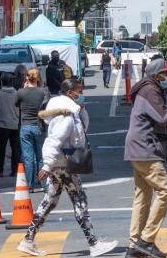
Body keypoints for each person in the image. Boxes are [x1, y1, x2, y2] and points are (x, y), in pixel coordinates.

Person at [17, 79, 118, 257]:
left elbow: (81, 129)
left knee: (50, 201)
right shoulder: (65, 115)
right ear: (70, 92)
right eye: (80, 90)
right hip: (63, 164)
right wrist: (47, 163)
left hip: (59, 163)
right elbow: (54, 140)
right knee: (79, 200)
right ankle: (94, 243)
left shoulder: (71, 112)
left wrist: (82, 111)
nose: (82, 94)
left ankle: (28, 240)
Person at [124, 58, 167, 258]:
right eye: (166, 74)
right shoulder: (150, 90)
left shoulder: (147, 89)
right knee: (166, 192)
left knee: (143, 196)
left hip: (138, 149)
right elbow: (163, 116)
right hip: (145, 149)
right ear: (157, 76)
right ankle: (146, 240)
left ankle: (134, 246)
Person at [17, 69, 52, 191]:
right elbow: (48, 103)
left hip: (25, 126)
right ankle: (43, 184)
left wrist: (24, 87)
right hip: (39, 125)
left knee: (28, 157)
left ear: (27, 78)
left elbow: (16, 104)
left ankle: (30, 185)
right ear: (38, 78)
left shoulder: (21, 92)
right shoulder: (44, 91)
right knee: (40, 156)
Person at [0, 73, 21, 177]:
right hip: (15, 124)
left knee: (0, 148)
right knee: (15, 148)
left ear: (2, 82)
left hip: (2, 124)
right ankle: (16, 169)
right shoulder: (17, 93)